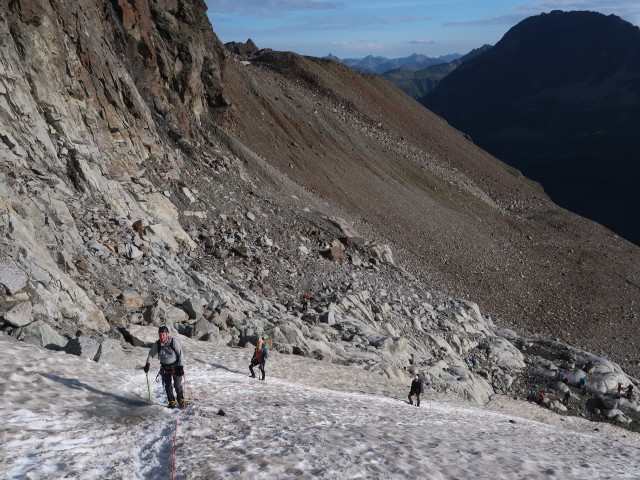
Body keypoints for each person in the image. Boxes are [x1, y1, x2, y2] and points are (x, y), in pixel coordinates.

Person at [144, 326, 185, 409]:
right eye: (160, 335)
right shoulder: (157, 344)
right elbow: (151, 354)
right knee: (168, 385)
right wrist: (147, 364)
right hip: (165, 368)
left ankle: (180, 399)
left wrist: (181, 367)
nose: (162, 337)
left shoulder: (174, 342)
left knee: (177, 384)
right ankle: (171, 401)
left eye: (163, 335)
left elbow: (180, 355)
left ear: (167, 334)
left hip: (176, 367)